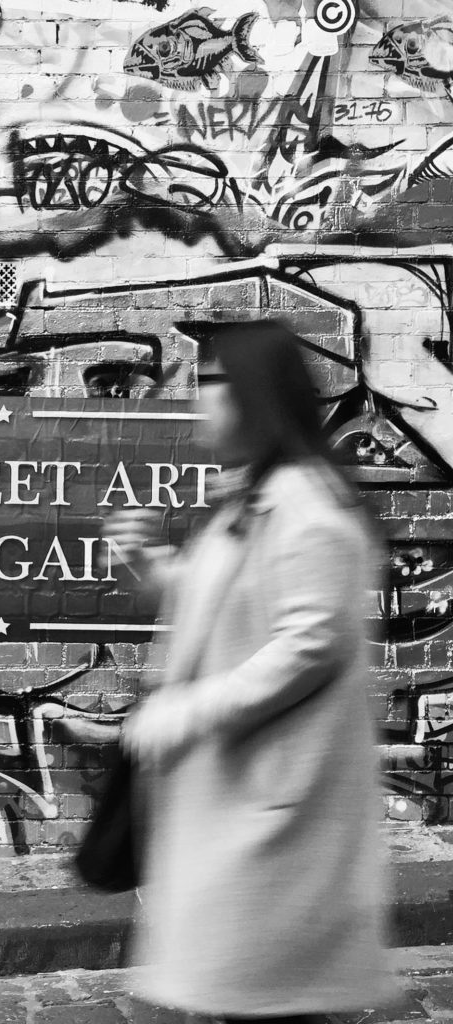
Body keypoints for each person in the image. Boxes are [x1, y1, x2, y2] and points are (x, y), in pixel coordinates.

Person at [103, 319, 395, 1019]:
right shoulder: (257, 497)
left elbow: (309, 644)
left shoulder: (306, 510)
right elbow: (224, 606)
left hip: (274, 814)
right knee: (253, 1001)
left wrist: (184, 713)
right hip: (240, 802)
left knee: (270, 1003)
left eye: (213, 387)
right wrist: (150, 567)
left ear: (255, 397)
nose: (199, 403)